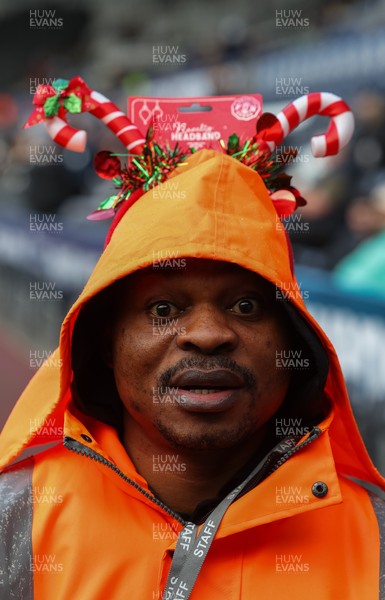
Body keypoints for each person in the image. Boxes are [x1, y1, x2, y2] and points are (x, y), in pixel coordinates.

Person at [1, 125, 384, 598]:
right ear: (105, 342)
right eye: (163, 309)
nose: (207, 336)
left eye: (246, 307)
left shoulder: (375, 539)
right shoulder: (16, 522)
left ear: (296, 346)